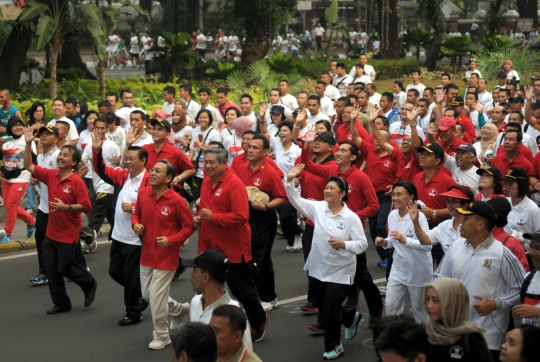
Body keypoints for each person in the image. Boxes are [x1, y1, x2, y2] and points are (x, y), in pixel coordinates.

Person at [286, 164, 368, 360]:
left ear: (342, 194)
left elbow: (362, 244)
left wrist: (344, 244)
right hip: (318, 268)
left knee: (330, 310)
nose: (327, 190)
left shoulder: (351, 217)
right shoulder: (318, 208)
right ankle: (349, 317)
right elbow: (295, 199)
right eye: (327, 187)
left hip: (340, 271)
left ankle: (334, 345)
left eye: (332, 188)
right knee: (324, 304)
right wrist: (289, 180)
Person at [435, 201, 526, 360]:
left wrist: (495, 304)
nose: (460, 223)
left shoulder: (502, 253)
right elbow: (438, 277)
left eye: (466, 219)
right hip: (455, 331)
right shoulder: (455, 247)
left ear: (480, 225)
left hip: (488, 337)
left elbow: (522, 289)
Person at [194, 147, 268, 342]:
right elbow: (204, 208)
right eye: (205, 162)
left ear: (223, 163)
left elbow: (242, 215)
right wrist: (198, 217)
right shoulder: (206, 182)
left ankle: (258, 320)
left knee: (242, 290)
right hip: (210, 244)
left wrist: (214, 217)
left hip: (233, 246)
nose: (207, 166)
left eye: (212, 163)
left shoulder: (234, 183)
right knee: (212, 288)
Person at [23, 127, 97, 315]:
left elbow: (86, 206)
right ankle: (62, 303)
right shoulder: (51, 175)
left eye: (65, 155)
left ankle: (89, 283)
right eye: (60, 154)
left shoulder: (76, 182)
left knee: (65, 267)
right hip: (51, 232)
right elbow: (28, 167)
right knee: (52, 269)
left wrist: (67, 207)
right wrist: (28, 143)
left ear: (73, 162)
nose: (61, 157)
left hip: (68, 232)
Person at [132, 159, 195, 349]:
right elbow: (136, 213)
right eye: (152, 170)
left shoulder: (177, 201)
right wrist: (135, 224)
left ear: (168, 178)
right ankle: (180, 310)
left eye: (157, 171)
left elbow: (189, 226)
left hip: (166, 257)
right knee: (147, 294)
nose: (152, 173)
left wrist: (172, 241)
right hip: (146, 254)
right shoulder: (143, 194)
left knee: (157, 299)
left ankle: (162, 335)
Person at [92, 135, 150, 326]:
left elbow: (153, 206)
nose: (128, 162)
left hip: (135, 239)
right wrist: (97, 150)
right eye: (127, 158)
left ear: (143, 161)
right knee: (115, 271)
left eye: (132, 159)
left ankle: (133, 313)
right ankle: (141, 294)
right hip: (118, 236)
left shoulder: (150, 180)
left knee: (131, 278)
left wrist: (133, 208)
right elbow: (100, 169)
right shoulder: (122, 176)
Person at [236, 134, 287, 312]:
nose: (250, 150)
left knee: (262, 259)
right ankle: (255, 294)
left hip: (264, 218)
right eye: (249, 146)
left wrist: (265, 206)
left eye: (255, 147)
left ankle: (270, 297)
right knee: (248, 259)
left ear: (265, 152)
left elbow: (282, 197)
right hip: (245, 218)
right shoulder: (241, 168)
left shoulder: (270, 172)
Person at [375, 181, 431, 323]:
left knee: (420, 311)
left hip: (419, 271)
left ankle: (425, 341)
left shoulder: (420, 217)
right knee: (391, 306)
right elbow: (392, 240)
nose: (395, 198)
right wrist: (384, 242)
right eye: (394, 194)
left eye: (399, 194)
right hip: (398, 269)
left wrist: (405, 240)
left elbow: (427, 246)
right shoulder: (392, 215)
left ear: (411, 197)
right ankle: (393, 340)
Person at [182, 250, 253, 350]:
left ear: (205, 277)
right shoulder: (195, 302)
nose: (191, 275)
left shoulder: (234, 316)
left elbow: (245, 356)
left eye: (194, 270)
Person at [423, 278, 493, 362]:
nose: (430, 305)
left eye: (436, 300)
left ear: (452, 304)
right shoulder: (426, 328)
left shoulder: (470, 337)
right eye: (427, 299)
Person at [29, 126, 61, 285]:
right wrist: (36, 179)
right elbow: (38, 172)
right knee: (40, 237)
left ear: (56, 139)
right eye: (42, 133)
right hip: (44, 206)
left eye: (49, 134)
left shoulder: (58, 156)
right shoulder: (41, 156)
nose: (44, 136)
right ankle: (44, 272)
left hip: (58, 206)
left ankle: (77, 265)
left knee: (64, 241)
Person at [405, 185, 474, 255]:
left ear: (465, 205)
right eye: (448, 201)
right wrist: (415, 221)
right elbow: (425, 240)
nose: (449, 205)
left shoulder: (475, 226)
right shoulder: (444, 226)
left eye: (453, 202)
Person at [0, 116, 37, 242]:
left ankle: (7, 234)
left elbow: (34, 159)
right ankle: (31, 221)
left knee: (10, 206)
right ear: (10, 127)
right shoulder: (5, 140)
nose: (18, 127)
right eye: (15, 125)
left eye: (20, 125)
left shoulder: (28, 139)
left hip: (21, 177)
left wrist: (29, 143)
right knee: (11, 206)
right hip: (6, 177)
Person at [487, 197, 530, 272]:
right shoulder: (477, 236)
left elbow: (523, 273)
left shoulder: (512, 243)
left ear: (494, 216)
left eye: (486, 212)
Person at [190, 109, 222, 202]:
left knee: (207, 194)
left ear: (210, 119)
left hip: (208, 170)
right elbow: (192, 147)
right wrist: (189, 161)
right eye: (200, 117)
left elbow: (217, 152)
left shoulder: (214, 134)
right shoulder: (195, 130)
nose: (202, 119)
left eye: (205, 117)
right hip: (197, 169)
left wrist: (202, 148)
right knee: (196, 193)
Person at [513, 232, 540, 326]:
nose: (532, 253)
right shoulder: (528, 278)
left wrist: (537, 313)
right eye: (531, 247)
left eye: (538, 248)